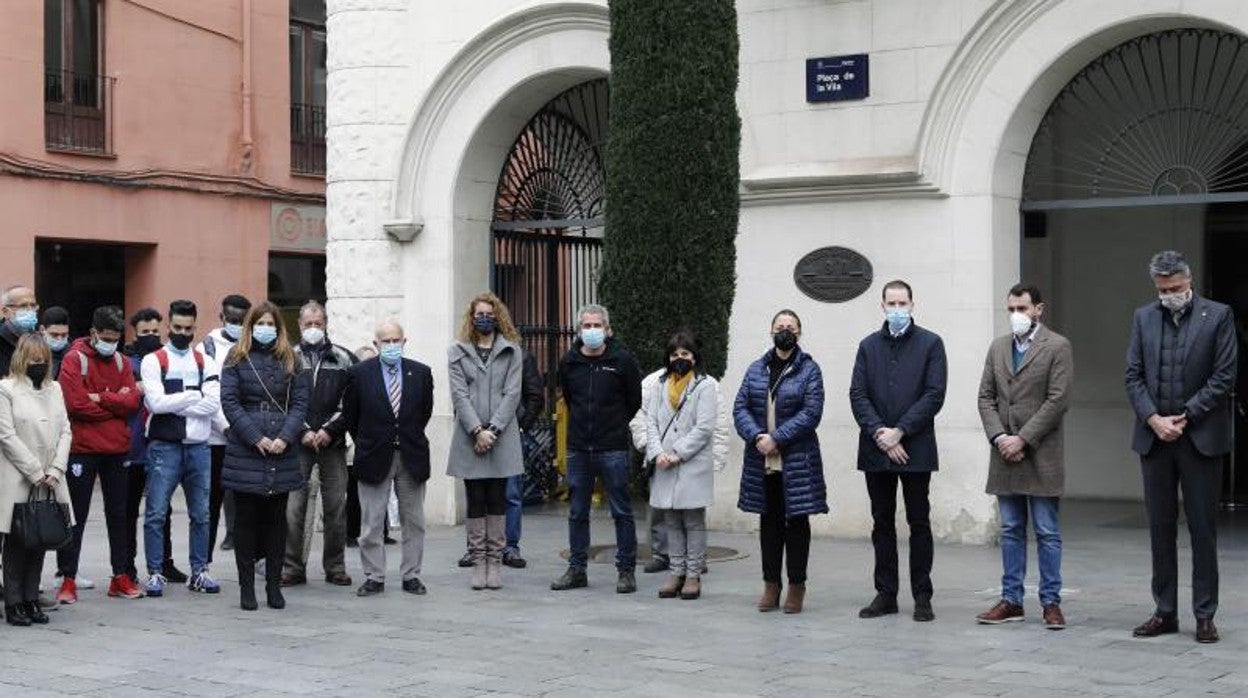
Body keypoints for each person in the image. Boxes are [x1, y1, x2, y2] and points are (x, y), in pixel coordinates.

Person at [1125, 251, 1236, 644]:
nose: (1169, 295)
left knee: (1203, 529)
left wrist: (1186, 415)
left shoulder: (1218, 316)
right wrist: (1153, 419)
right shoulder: (1143, 317)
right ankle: (1164, 611)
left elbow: (1224, 375)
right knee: (1160, 529)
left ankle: (1204, 614)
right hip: (1155, 439)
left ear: (1189, 281)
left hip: (1199, 438)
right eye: (1162, 290)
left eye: (1175, 288)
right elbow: (1133, 376)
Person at [975, 284, 1073, 629]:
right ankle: (1011, 600)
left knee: (1047, 530)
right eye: (1011, 309)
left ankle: (1051, 602)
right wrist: (1001, 436)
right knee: (1012, 528)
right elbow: (985, 396)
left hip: (1040, 452)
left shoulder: (1057, 346)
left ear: (1038, 309)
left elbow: (1057, 400)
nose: (1016, 315)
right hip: (1004, 454)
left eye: (1022, 308)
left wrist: (1023, 438)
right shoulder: (998, 347)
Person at [849, 280, 947, 623]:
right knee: (882, 522)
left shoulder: (931, 344)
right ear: (882, 306)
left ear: (912, 304)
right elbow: (858, 395)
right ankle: (886, 593)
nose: (896, 308)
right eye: (891, 303)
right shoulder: (867, 346)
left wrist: (900, 432)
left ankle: (922, 594)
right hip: (877, 450)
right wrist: (881, 434)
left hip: (915, 449)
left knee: (918, 522)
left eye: (902, 302)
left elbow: (934, 394)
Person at [219, 301, 309, 611]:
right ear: (250, 326)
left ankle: (273, 584)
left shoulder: (291, 359)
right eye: (261, 323)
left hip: (282, 450)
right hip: (247, 449)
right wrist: (255, 437)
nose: (266, 329)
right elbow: (230, 402)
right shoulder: (236, 357)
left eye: (272, 324)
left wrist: (285, 437)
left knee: (276, 522)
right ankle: (247, 587)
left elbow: (300, 403)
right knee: (245, 521)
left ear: (280, 328)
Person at [735, 309, 826, 614]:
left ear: (799, 333)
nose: (784, 330)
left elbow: (811, 412)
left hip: (796, 460)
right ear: (770, 331)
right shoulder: (756, 369)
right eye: (779, 326)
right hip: (763, 460)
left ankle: (797, 585)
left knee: (797, 523)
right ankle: (771, 585)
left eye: (790, 327)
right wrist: (758, 436)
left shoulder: (809, 370)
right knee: (769, 522)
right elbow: (741, 408)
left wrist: (778, 438)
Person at [551, 304, 643, 594]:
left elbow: (634, 400)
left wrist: (614, 425)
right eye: (586, 326)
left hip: (612, 447)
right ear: (579, 331)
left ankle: (626, 570)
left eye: (597, 325)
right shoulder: (569, 362)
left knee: (621, 511)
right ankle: (577, 569)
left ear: (608, 329)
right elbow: (568, 396)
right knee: (577, 511)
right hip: (579, 447)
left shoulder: (622, 361)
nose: (592, 331)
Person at [337, 321, 433, 598]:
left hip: (411, 455)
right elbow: (351, 417)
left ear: (405, 341)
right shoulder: (358, 374)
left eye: (396, 340)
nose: (392, 346)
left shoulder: (421, 373)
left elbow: (423, 413)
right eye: (386, 341)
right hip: (373, 454)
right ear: (376, 343)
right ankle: (374, 576)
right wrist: (369, 441)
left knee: (414, 521)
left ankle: (412, 575)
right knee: (371, 522)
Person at [56, 305, 144, 603]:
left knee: (118, 515)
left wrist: (100, 398)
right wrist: (113, 403)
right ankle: (68, 579)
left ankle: (120, 576)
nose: (112, 343)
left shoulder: (121, 361)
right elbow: (75, 404)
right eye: (106, 337)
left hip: (116, 450)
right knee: (76, 516)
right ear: (93, 333)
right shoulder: (73, 359)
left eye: (116, 338)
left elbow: (133, 401)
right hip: (83, 450)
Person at [140, 300, 223, 598]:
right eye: (177, 327)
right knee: (156, 512)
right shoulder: (154, 360)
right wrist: (192, 394)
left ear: (195, 328)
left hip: (199, 447)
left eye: (188, 329)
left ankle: (200, 571)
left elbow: (213, 404)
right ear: (168, 326)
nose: (183, 333)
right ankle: (155, 572)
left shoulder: (205, 362)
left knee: (202, 513)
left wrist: (176, 401)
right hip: (165, 446)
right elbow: (155, 404)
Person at [447, 293, 524, 590]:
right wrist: (477, 430)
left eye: (489, 314)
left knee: (498, 498)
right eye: (479, 314)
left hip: (500, 437)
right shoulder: (457, 351)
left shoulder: (511, 351)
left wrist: (493, 429)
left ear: (497, 316)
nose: (484, 318)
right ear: (471, 317)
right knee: (475, 498)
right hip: (470, 438)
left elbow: (512, 393)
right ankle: (479, 561)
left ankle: (495, 561)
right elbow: (459, 395)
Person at [282, 301, 356, 587]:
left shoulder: (344, 358)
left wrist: (329, 430)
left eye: (318, 323)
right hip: (298, 443)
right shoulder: (288, 357)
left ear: (326, 324)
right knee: (294, 507)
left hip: (333, 443)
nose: (313, 328)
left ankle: (335, 566)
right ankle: (292, 567)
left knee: (336, 506)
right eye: (308, 324)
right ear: (299, 325)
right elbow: (285, 399)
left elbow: (350, 401)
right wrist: (301, 430)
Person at [0, 335, 72, 626]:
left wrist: (56, 469)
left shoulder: (55, 388)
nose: (39, 364)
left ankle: (31, 598)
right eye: (33, 359)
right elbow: (6, 435)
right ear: (21, 358)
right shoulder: (6, 389)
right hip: (19, 475)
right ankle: (14, 602)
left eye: (43, 359)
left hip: (50, 477)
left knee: (42, 538)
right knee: (17, 541)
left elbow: (66, 430)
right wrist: (34, 471)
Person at [644, 330, 718, 601]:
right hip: (664, 463)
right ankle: (675, 572)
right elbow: (650, 421)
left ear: (695, 357)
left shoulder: (705, 385)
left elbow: (705, 427)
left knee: (693, 521)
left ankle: (693, 574)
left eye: (685, 354)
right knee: (671, 521)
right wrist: (657, 452)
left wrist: (678, 453)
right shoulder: (659, 385)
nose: (680, 359)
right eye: (675, 354)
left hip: (691, 464)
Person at [121, 308, 183, 586]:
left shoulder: (167, 360)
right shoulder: (124, 363)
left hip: (160, 446)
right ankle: (127, 565)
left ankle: (164, 563)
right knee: (128, 510)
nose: (150, 336)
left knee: (162, 509)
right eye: (144, 332)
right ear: (134, 333)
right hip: (131, 449)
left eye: (155, 332)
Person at [202, 294, 251, 555]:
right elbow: (210, 392)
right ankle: (203, 561)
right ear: (222, 318)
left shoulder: (255, 344)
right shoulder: (208, 346)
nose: (237, 324)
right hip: (216, 437)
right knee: (211, 501)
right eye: (232, 320)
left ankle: (244, 545)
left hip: (248, 435)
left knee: (246, 497)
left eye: (242, 320)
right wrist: (227, 427)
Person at [0, 285, 40, 378]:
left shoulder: (40, 340)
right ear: (6, 312)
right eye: (23, 306)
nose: (30, 310)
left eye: (33, 305)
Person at [40, 306, 71, 380]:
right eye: (54, 335)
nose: (59, 339)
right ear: (42, 330)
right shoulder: (29, 351)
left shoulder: (72, 353)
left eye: (64, 335)